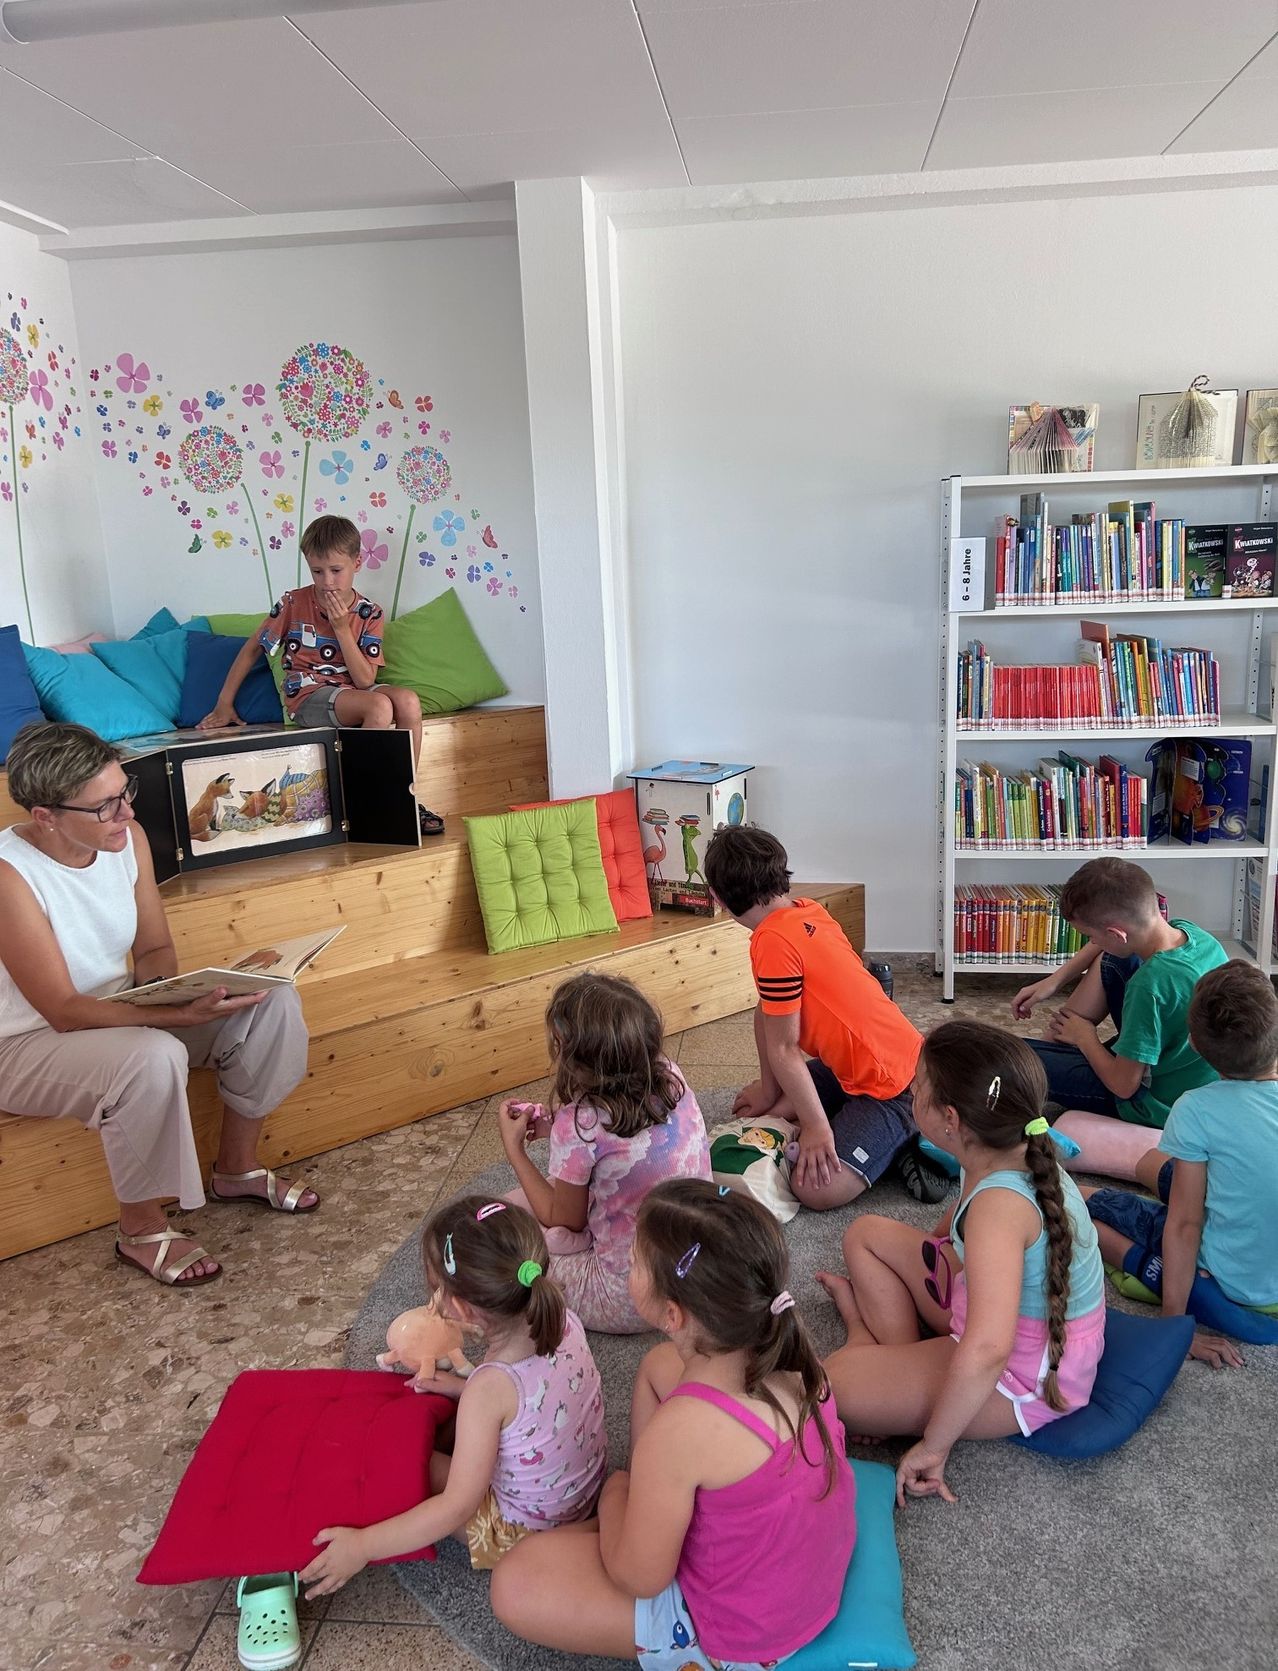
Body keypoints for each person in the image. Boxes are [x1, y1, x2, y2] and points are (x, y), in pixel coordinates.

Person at [490, 1179, 856, 1668]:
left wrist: (617, 1493)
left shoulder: (680, 1433)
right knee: (656, 1368)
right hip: (799, 1575)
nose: (628, 1264)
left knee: (514, 1582)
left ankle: (646, 1515)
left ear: (672, 1313)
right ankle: (655, 1511)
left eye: (636, 1261)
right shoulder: (795, 1354)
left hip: (742, 1636)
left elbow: (640, 1579)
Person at [0, 722, 313, 1287]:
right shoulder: (9, 875)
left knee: (268, 1001)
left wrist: (186, 990)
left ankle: (236, 1169)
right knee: (150, 1055)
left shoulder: (127, 839)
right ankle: (140, 1229)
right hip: (24, 1042)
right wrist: (171, 1017)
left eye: (126, 792)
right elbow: (63, 1010)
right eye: (104, 806)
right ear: (45, 816)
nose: (124, 813)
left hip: (116, 1007)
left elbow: (153, 947)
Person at [818, 1022, 1107, 1499]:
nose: (910, 1094)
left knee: (828, 1386)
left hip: (1021, 1371)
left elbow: (989, 1349)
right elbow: (955, 1231)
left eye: (917, 1090)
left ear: (950, 1120)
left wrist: (935, 1444)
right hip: (985, 1306)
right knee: (865, 1234)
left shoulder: (1000, 1208)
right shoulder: (1010, 1149)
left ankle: (872, 1358)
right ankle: (889, 1365)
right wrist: (941, 1240)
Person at [299, 1195, 606, 1595]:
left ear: (461, 1308)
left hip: (521, 1534)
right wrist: (465, 1388)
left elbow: (457, 1507)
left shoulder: (489, 1388)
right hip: (582, 1495)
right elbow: (541, 1394)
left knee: (408, 1461)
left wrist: (363, 1546)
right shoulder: (562, 1317)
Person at [702, 824, 946, 1210]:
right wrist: (769, 1091)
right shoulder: (808, 911)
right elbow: (766, 1014)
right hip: (855, 1067)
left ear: (717, 897)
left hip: (896, 1085)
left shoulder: (772, 942)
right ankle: (846, 1122)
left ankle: (912, 1132)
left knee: (816, 1189)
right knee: (776, 1107)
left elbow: (783, 1047)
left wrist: (815, 1126)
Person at [197, 513, 444, 837]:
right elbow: (253, 649)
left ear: (357, 563)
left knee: (409, 702)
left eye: (336, 571)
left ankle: (402, 795)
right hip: (309, 695)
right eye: (317, 571)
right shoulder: (293, 602)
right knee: (379, 708)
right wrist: (223, 703)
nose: (327, 581)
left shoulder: (370, 613)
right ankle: (363, 801)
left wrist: (342, 629)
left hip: (352, 688)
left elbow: (365, 681)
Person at [1083, 960, 1278, 1363]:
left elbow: (1186, 1225)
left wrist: (1175, 1328)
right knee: (1160, 1166)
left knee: (1086, 1204)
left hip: (1233, 1280)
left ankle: (1082, 1210)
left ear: (1193, 1044)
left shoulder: (1198, 1109)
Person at [498, 971, 711, 1332]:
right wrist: (561, 1134)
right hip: (699, 1269)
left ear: (570, 1055)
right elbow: (629, 1141)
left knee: (502, 1224)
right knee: (539, 1201)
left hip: (628, 1298)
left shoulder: (578, 1123)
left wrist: (514, 1149)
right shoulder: (670, 1075)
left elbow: (566, 1219)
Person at [1011, 856, 1226, 1127]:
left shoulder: (1148, 986)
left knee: (1006, 1056)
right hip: (1184, 1070)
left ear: (1116, 933)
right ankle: (1056, 1049)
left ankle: (1053, 1055)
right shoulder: (1193, 935)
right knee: (1114, 958)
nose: (1091, 942)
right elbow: (1108, 946)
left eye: (1090, 935)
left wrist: (1085, 1037)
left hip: (1150, 1102)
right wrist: (1055, 981)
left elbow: (1124, 1086)